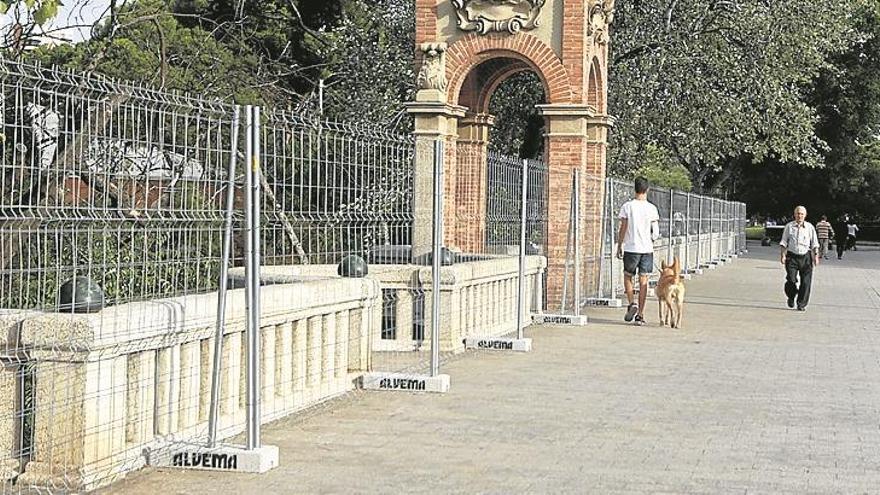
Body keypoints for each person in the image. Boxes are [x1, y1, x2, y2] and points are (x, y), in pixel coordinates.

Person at [616, 177, 660, 325]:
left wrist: (619, 244)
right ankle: (640, 314)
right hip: (647, 249)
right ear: (647, 190)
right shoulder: (652, 208)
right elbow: (655, 233)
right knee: (644, 281)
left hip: (631, 248)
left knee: (628, 276)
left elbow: (623, 227)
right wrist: (650, 240)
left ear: (634, 189)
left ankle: (631, 302)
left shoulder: (627, 207)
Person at [779, 206, 819, 311]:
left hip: (806, 257)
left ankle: (801, 304)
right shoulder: (789, 226)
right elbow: (784, 242)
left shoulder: (810, 227)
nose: (799, 216)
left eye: (801, 214)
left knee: (806, 282)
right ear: (794, 215)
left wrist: (816, 256)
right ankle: (791, 296)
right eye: (797, 213)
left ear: (805, 215)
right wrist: (783, 255)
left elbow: (814, 243)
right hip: (792, 257)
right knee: (791, 280)